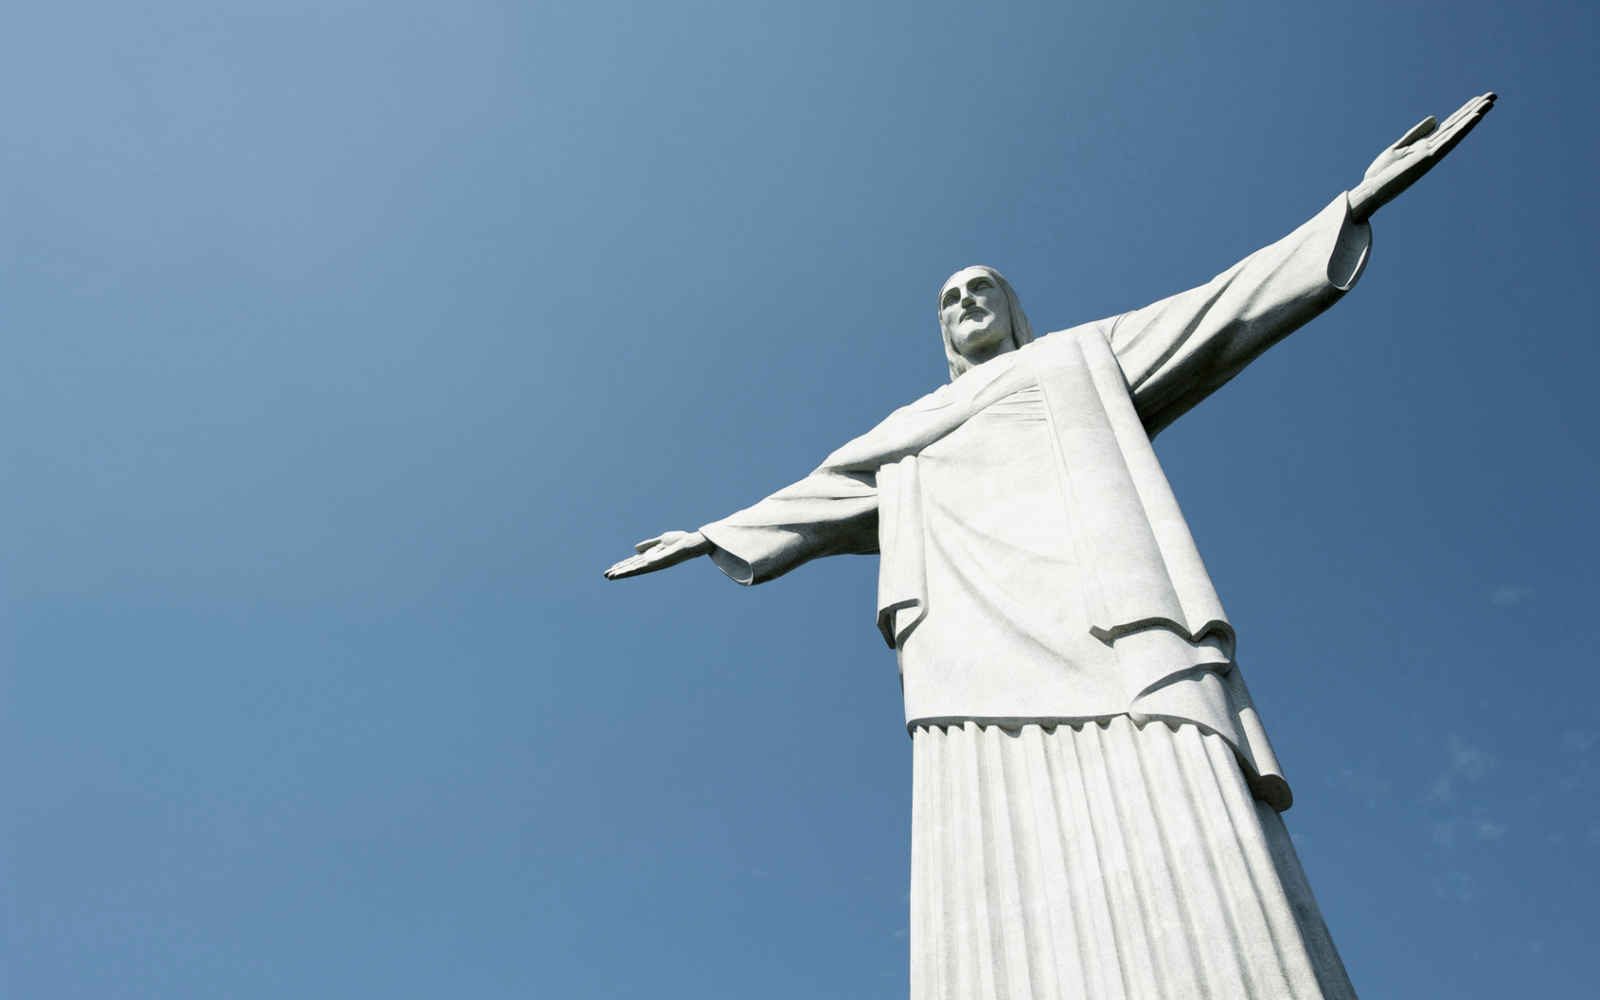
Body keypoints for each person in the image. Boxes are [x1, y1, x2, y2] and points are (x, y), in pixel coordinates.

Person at [606, 93, 1494, 1000]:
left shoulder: (1079, 358)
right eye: (949, 299)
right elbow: (820, 495)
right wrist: (705, 536)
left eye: (980, 288)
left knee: (1182, 801)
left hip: (1108, 619)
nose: (965, 303)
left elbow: (1219, 309)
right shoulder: (908, 427)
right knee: (993, 849)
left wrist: (1353, 203)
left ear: (1013, 308)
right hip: (969, 651)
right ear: (941, 332)